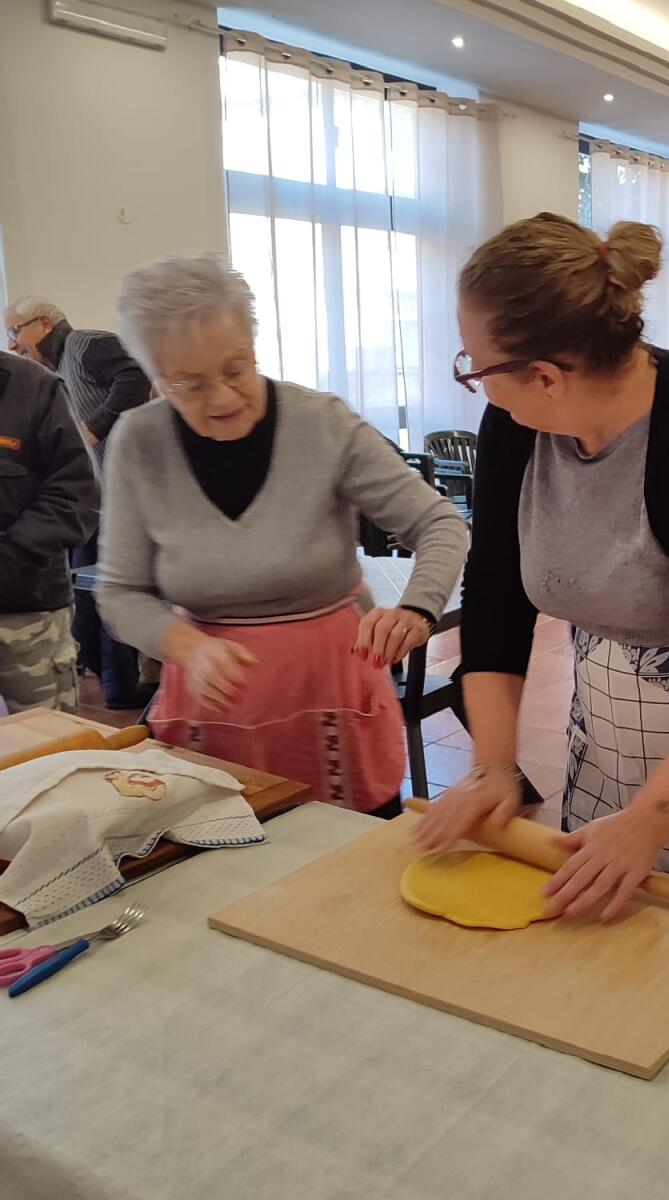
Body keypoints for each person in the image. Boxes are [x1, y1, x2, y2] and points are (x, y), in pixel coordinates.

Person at [416, 213, 669, 921]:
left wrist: (648, 822)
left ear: (545, 376)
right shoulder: (517, 426)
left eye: (474, 368)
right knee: (601, 923)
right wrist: (492, 765)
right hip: (604, 721)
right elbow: (495, 599)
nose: (474, 385)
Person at [96, 256, 469, 813]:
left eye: (236, 368)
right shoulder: (137, 441)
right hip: (212, 705)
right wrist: (186, 647)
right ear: (156, 379)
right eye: (190, 384)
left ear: (253, 345)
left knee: (352, 864)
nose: (222, 398)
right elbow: (119, 590)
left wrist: (418, 607)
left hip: (332, 690)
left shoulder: (321, 423)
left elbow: (438, 522)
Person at [4, 296, 153, 708]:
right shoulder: (50, 370)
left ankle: (123, 689)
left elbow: (136, 374)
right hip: (99, 504)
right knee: (88, 594)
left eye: (17, 330)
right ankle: (115, 685)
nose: (14, 342)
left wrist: (95, 427)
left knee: (106, 592)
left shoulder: (86, 345)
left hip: (116, 501)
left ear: (45, 325)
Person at [0, 350, 99, 711]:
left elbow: (78, 494)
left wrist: (10, 557)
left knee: (50, 751)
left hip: (30, 612)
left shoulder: (35, 387)